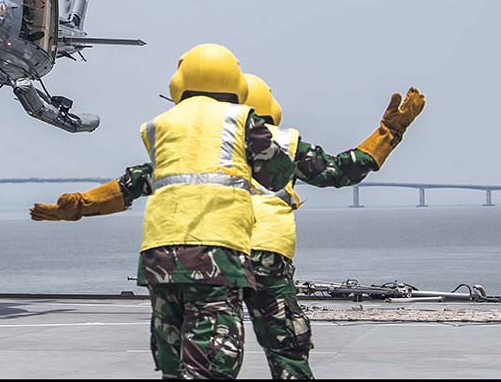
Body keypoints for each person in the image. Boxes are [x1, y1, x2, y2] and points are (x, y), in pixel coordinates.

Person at [30, 44, 425, 379]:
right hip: (225, 257)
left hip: (164, 258)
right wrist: (388, 135)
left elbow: (130, 184)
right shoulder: (252, 129)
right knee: (254, 352)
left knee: (175, 360)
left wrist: (79, 206)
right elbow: (325, 171)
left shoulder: (165, 127)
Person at [241, 74, 423, 379]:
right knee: (288, 345)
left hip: (210, 252)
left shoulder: (201, 142)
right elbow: (340, 171)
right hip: (267, 254)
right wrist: (389, 132)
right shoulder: (282, 143)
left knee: (208, 345)